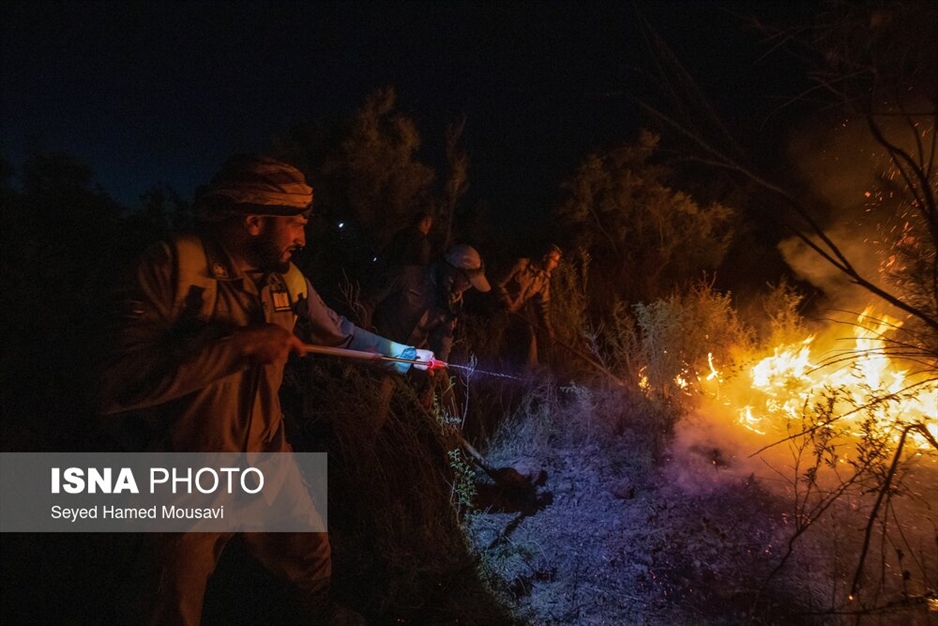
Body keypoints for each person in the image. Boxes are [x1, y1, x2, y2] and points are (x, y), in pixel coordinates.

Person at [94, 154, 432, 626]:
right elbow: (116, 383)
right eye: (295, 223)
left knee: (310, 557)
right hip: (186, 470)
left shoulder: (287, 280)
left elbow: (341, 333)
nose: (303, 237)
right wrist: (237, 346)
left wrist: (407, 357)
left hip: (266, 455)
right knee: (170, 602)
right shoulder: (172, 269)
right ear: (253, 221)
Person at [360, 244, 491, 415]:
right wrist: (364, 337)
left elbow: (442, 343)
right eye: (467, 280)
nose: (469, 285)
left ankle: (451, 438)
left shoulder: (452, 301)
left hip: (413, 356)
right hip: (383, 349)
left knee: (448, 400)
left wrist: (431, 385)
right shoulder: (407, 276)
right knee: (379, 401)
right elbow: (367, 302)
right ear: (452, 272)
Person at [496, 244, 562, 371]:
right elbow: (498, 282)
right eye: (555, 260)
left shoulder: (543, 279)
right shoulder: (520, 265)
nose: (556, 265)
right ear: (545, 257)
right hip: (497, 309)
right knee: (496, 342)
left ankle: (530, 372)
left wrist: (547, 329)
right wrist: (506, 299)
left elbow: (543, 306)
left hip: (517, 313)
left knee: (529, 335)